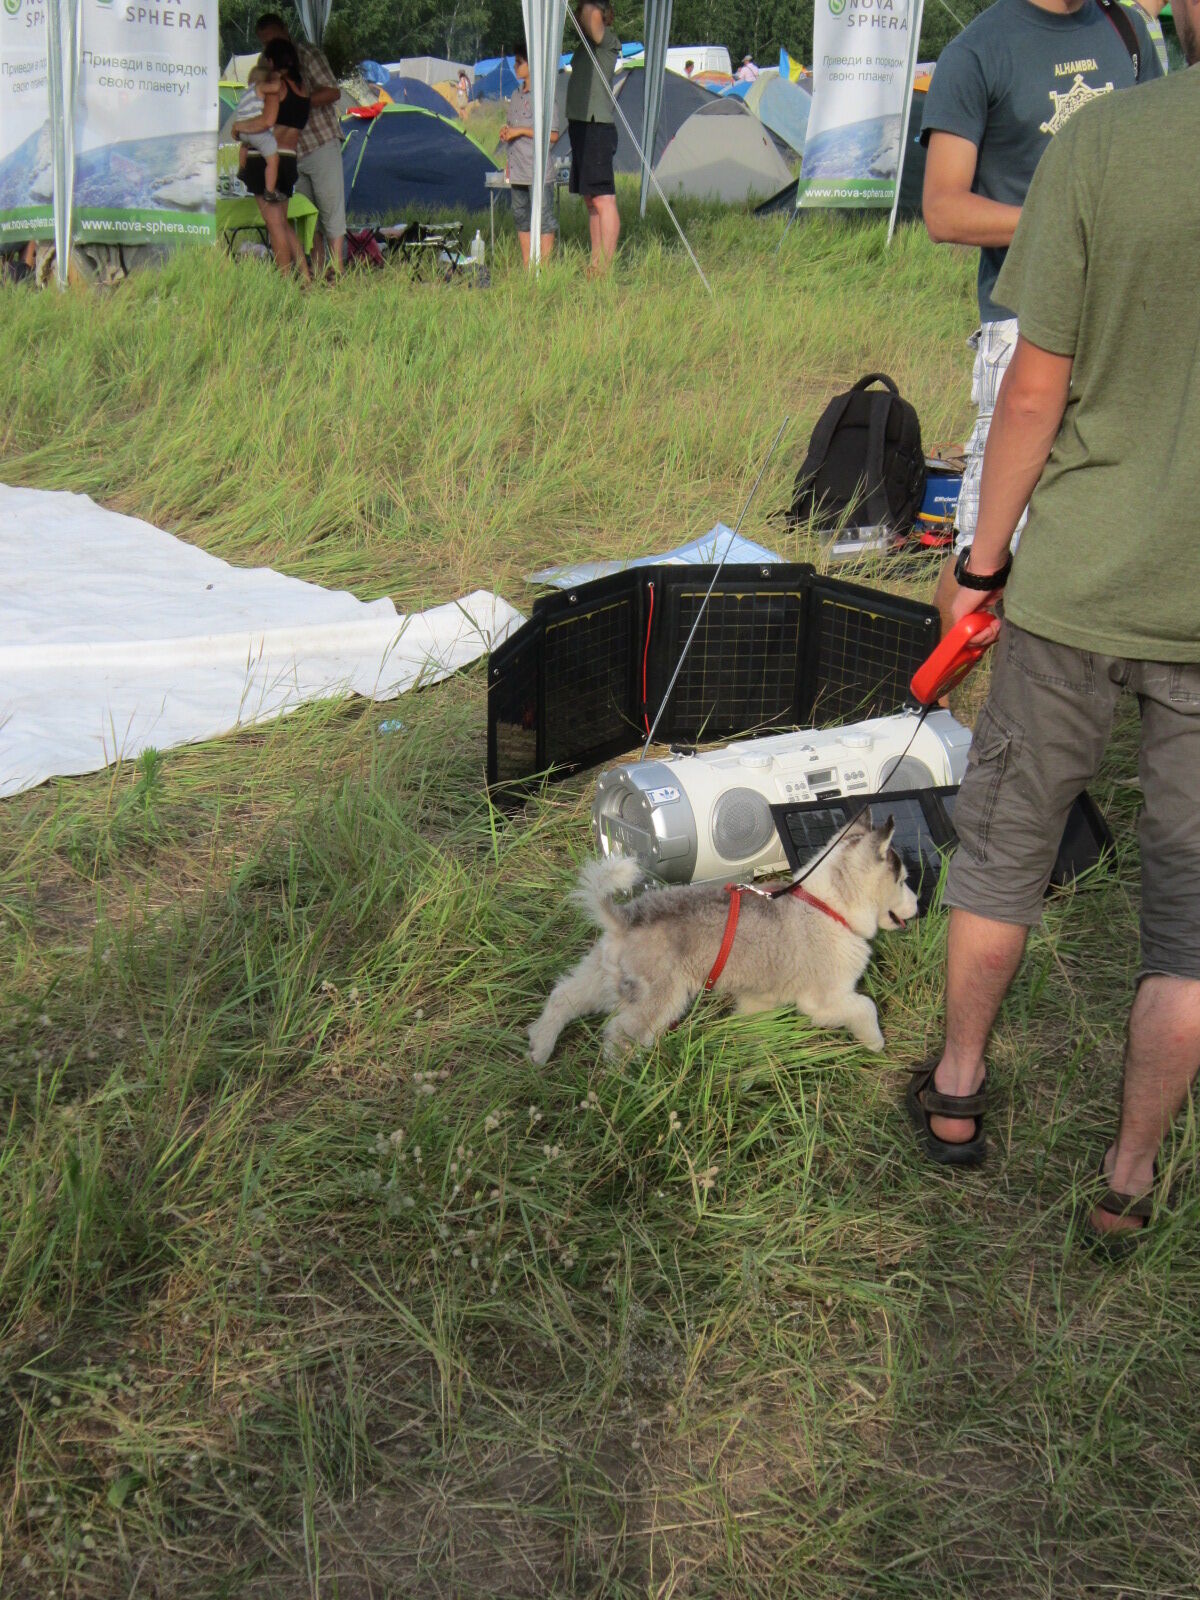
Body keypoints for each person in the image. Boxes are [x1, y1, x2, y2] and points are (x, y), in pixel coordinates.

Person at [906, 0, 1200, 1256]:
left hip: (1075, 579)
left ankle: (960, 1093)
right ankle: (1128, 1174)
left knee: (1005, 850)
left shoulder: (1111, 141)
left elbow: (1035, 383)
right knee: (1189, 918)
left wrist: (981, 564)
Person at [920, 0, 1161, 632]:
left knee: (1126, 522)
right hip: (1022, 323)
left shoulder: (1127, 29)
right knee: (986, 545)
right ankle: (935, 720)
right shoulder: (977, 51)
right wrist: (1067, 225)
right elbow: (943, 210)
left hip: (1128, 321)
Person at [256, 12, 345, 278]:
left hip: (321, 142)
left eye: (273, 39)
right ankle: (317, 272)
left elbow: (333, 91)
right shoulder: (266, 63)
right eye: (265, 42)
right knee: (307, 216)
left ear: (285, 30)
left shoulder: (306, 54)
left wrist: (299, 104)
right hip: (291, 153)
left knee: (331, 209)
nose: (270, 46)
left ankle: (338, 271)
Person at [232, 36, 311, 282]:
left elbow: (266, 121)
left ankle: (286, 282)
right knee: (284, 223)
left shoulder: (277, 84)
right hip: (289, 157)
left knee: (274, 225)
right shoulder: (303, 88)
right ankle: (306, 278)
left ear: (270, 60)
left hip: (266, 159)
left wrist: (238, 126)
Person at [565, 1, 620, 273]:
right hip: (581, 125)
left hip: (597, 126)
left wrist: (586, 6)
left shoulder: (607, 42)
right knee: (591, 199)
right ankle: (595, 263)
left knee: (603, 198)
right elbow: (581, 18)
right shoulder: (585, 44)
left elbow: (589, 15)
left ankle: (606, 267)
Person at [500, 43, 562, 265]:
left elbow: (553, 135)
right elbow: (512, 126)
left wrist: (521, 130)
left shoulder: (544, 96)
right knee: (520, 217)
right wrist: (507, 132)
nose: (515, 66)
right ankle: (528, 266)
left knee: (544, 218)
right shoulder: (515, 96)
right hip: (518, 168)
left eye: (519, 62)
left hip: (538, 170)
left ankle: (543, 267)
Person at [233, 58, 283, 202]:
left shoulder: (246, 93)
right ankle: (270, 190)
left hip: (243, 132)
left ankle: (242, 168)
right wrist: (278, 79)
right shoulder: (260, 87)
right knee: (273, 159)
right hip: (257, 131)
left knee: (244, 145)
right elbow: (275, 88)